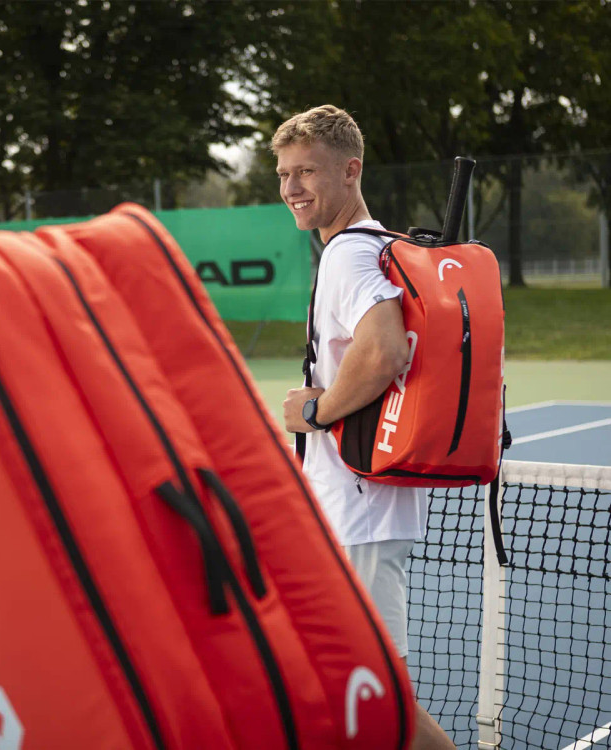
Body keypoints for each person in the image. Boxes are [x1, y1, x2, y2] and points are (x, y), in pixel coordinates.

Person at [275, 105, 455, 750]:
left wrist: (316, 411)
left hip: (361, 512)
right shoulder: (373, 246)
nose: (292, 187)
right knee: (362, 697)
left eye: (307, 172)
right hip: (360, 505)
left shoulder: (349, 256)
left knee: (385, 706)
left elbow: (384, 351)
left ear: (351, 171)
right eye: (284, 174)